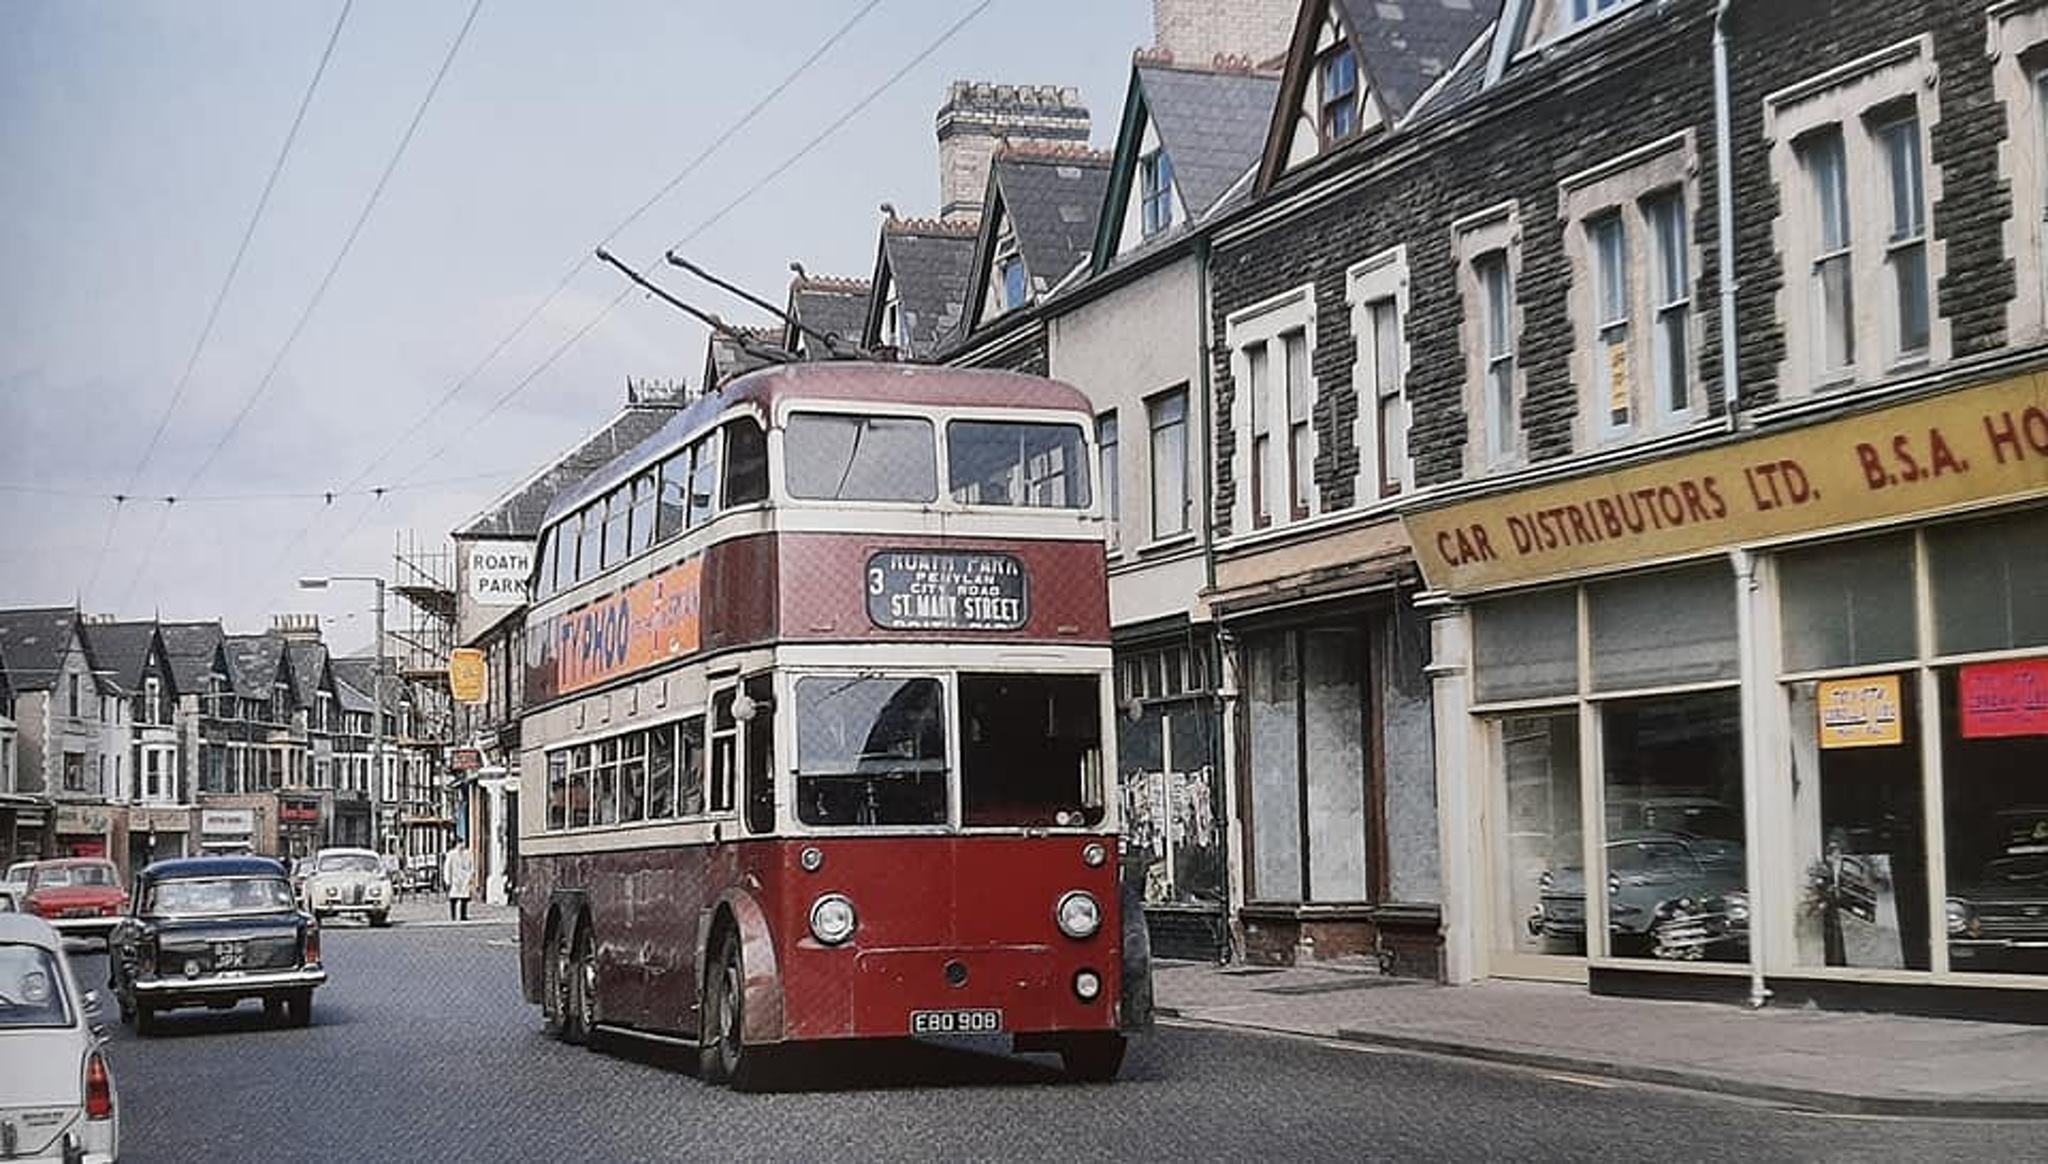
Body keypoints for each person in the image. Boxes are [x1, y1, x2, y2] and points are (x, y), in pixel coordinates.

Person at [441, 840, 475, 922]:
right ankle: (453, 915)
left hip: (464, 878)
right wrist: (447, 880)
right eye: (460, 843)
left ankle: (463, 915)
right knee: (453, 898)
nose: (461, 845)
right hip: (455, 878)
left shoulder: (468, 854)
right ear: (456, 845)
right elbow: (447, 867)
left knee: (464, 898)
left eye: (462, 843)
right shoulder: (451, 854)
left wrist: (471, 876)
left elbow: (471, 866)